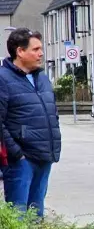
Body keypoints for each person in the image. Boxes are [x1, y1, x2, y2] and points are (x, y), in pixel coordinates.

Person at [0, 28, 60, 216]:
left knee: (36, 214)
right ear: (20, 51)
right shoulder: (3, 79)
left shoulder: (42, 79)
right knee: (18, 216)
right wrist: (16, 153)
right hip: (20, 161)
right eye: (35, 49)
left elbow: (52, 113)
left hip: (44, 155)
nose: (41, 54)